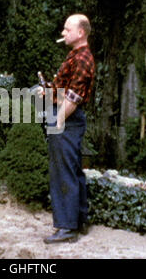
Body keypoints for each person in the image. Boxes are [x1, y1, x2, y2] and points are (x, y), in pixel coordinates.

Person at [39, 14, 96, 244]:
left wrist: (57, 121)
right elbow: (66, 89)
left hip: (67, 119)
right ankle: (79, 221)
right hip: (69, 117)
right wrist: (51, 91)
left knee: (62, 171)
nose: (63, 33)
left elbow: (73, 97)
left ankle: (66, 228)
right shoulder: (76, 56)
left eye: (67, 29)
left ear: (80, 32)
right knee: (72, 169)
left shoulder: (82, 59)